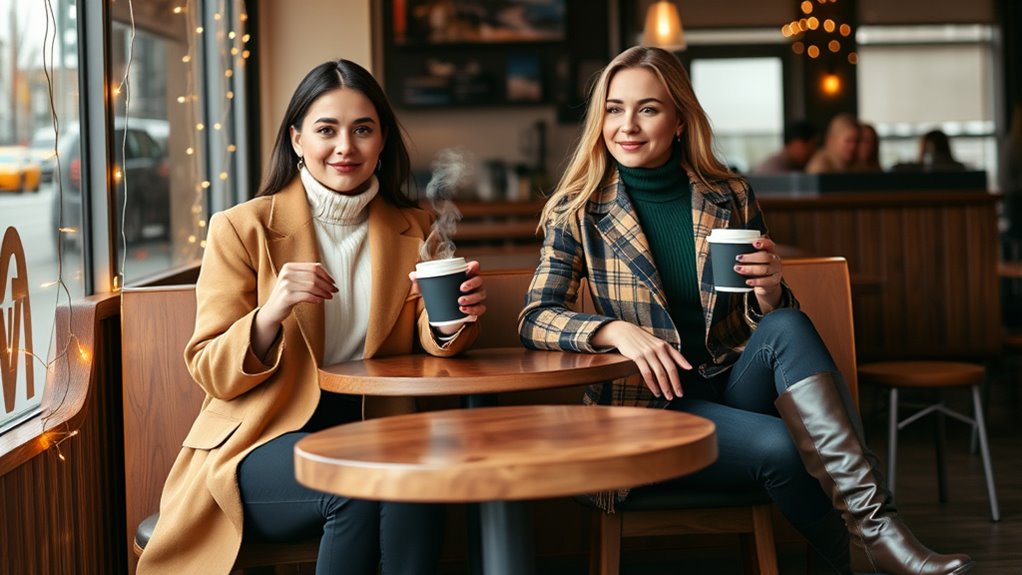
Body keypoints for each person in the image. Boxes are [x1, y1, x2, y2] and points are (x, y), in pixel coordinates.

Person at [518, 46, 973, 575]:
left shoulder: (729, 194)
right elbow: (535, 316)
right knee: (785, 447)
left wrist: (772, 293)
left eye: (648, 109)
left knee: (787, 321)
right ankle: (867, 549)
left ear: (680, 119)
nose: (628, 126)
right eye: (615, 109)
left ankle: (874, 535)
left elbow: (774, 334)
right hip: (648, 410)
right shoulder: (578, 209)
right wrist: (614, 330)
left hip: (733, 386)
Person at [137, 59, 488, 575]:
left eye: (362, 129)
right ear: (298, 139)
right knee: (355, 483)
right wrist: (270, 312)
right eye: (327, 129)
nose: (345, 146)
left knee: (416, 482)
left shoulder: (415, 226)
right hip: (260, 440)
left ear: (382, 140)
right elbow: (210, 367)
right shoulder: (243, 228)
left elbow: (431, 338)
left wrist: (454, 320)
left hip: (379, 431)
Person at [752, 119, 818, 175]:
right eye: (812, 146)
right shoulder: (775, 169)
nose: (814, 152)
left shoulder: (788, 164)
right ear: (797, 143)